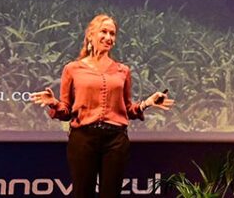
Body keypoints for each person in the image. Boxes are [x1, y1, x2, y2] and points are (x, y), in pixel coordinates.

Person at [30, 14, 174, 198]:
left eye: (112, 34)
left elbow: (128, 109)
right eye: (104, 32)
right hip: (83, 139)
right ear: (91, 35)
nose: (109, 37)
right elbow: (66, 111)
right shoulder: (72, 69)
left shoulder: (123, 71)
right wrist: (54, 103)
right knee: (82, 193)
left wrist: (148, 102)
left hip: (115, 141)